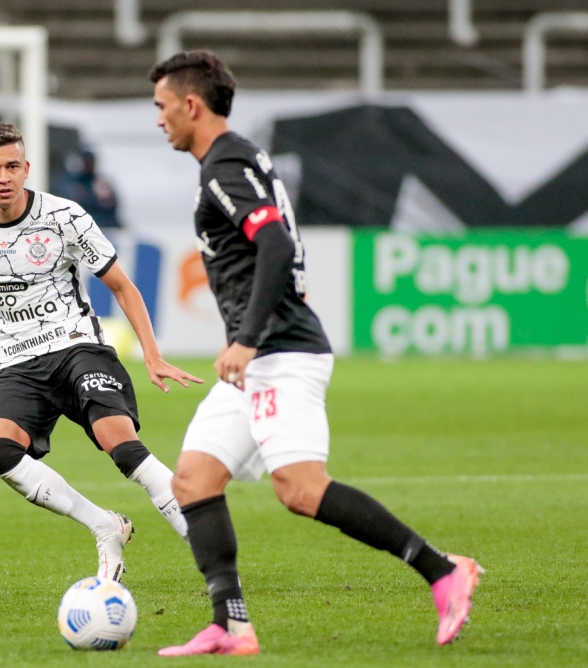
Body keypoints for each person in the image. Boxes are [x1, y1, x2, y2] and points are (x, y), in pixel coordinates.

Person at [148, 50, 483, 656]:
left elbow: (273, 242)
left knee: (301, 489)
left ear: (191, 105)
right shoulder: (236, 157)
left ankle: (441, 570)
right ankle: (232, 624)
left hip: (279, 353)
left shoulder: (225, 164)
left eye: (162, 106)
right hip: (262, 355)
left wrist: (246, 338)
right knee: (194, 480)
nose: (158, 118)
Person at [0, 122, 201, 582]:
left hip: (76, 348)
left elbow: (122, 286)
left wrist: (152, 354)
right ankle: (104, 525)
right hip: (15, 363)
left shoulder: (65, 216)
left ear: (26, 168)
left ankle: (214, 559)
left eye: (11, 166)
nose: (3, 177)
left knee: (123, 449)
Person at [53, 145, 122, 230]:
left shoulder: (100, 182)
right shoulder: (70, 184)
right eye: (86, 161)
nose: (89, 164)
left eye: (91, 161)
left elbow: (112, 207)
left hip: (104, 225)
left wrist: (105, 198)